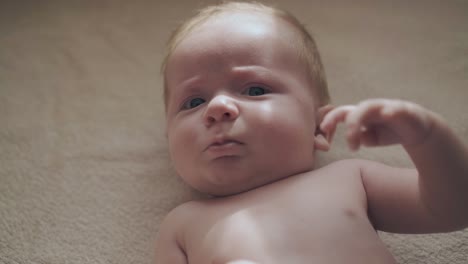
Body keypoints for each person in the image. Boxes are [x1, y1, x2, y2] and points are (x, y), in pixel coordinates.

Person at [156, 2, 468, 263]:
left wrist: (426, 137)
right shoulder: (183, 224)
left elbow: (455, 208)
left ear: (317, 127)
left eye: (254, 89)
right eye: (194, 101)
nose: (218, 107)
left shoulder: (349, 179)